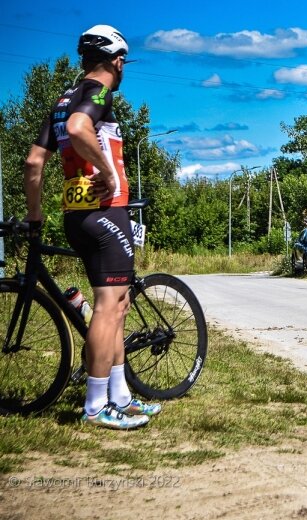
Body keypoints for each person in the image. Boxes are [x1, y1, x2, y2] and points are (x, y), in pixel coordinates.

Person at [23, 25, 161, 429]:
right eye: (123, 61)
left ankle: (120, 396)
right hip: (105, 210)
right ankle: (97, 404)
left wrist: (35, 217)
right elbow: (83, 129)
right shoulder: (97, 93)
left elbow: (34, 163)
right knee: (108, 308)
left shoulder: (63, 102)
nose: (122, 68)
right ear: (116, 60)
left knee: (118, 306)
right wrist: (107, 172)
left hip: (76, 215)